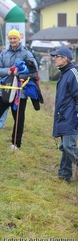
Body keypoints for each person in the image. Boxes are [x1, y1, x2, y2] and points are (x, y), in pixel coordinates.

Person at [50, 47, 78, 183]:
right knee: (65, 147)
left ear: (65, 58)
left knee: (69, 146)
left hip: (72, 117)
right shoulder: (64, 73)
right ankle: (64, 174)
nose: (54, 59)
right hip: (64, 117)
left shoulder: (73, 73)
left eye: (57, 56)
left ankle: (64, 174)